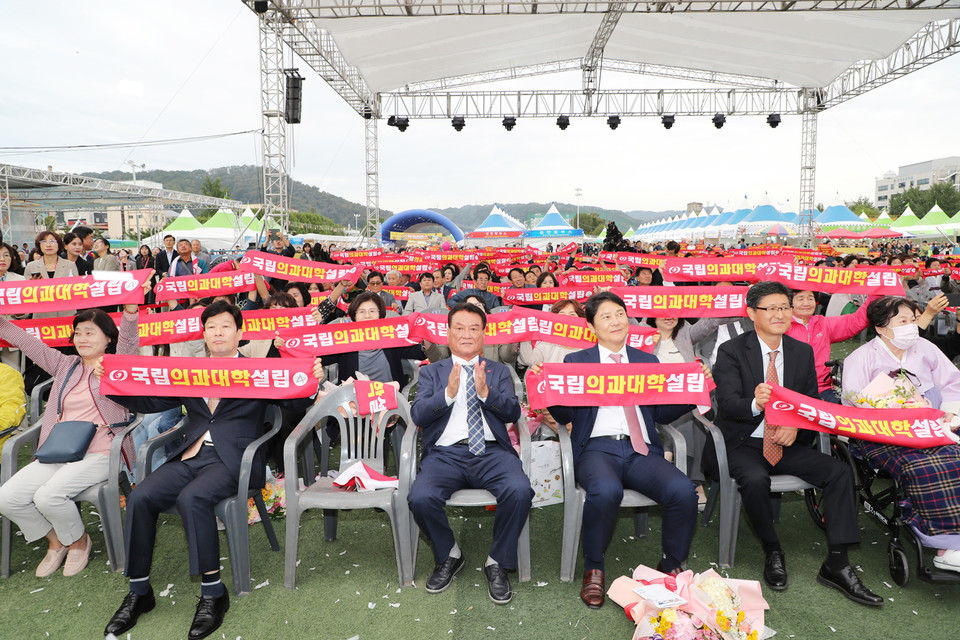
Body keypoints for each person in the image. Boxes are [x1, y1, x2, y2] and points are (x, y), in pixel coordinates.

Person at [99, 300, 325, 639]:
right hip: (190, 456)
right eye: (211, 327)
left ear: (239, 333)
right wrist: (114, 381)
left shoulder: (258, 370)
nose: (217, 332)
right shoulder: (189, 371)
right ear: (203, 334)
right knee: (140, 496)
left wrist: (312, 379)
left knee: (193, 499)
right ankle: (139, 590)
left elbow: (293, 403)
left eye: (225, 326)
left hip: (234, 459)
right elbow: (151, 400)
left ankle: (213, 593)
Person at [709, 281, 883, 606]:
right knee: (756, 479)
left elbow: (811, 403)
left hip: (785, 442)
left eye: (784, 308)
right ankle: (773, 549)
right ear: (751, 313)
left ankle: (837, 563)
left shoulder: (801, 352)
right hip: (742, 443)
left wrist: (796, 425)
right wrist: (754, 404)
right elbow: (728, 403)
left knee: (839, 472)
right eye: (771, 308)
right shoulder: (732, 351)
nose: (780, 314)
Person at [542, 292, 698, 608]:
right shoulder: (576, 361)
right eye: (606, 316)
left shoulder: (647, 361)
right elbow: (567, 416)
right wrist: (549, 390)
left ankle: (670, 568)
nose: (615, 321)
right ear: (592, 326)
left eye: (620, 313)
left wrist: (693, 388)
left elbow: (661, 414)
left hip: (641, 450)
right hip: (597, 449)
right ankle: (594, 568)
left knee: (684, 491)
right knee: (605, 490)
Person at [0, 289, 144, 578]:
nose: (82, 339)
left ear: (108, 338)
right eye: (78, 333)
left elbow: (128, 342)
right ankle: (57, 540)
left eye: (90, 333)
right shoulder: (65, 365)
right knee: (7, 497)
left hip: (102, 451)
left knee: (48, 496)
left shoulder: (118, 365)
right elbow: (24, 341)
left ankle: (79, 542)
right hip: (60, 449)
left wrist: (130, 311)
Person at [407, 302, 531, 605]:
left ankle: (497, 562)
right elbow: (419, 415)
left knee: (519, 490)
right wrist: (447, 394)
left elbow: (513, 411)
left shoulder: (498, 371)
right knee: (420, 497)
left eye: (474, 328)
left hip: (491, 453)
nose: (466, 334)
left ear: (483, 335)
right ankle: (449, 554)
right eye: (459, 328)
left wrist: (486, 393)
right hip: (446, 455)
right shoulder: (432, 373)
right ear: (448, 334)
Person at [841, 296, 960, 572]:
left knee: (954, 457)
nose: (911, 326)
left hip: (929, 426)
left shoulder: (925, 348)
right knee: (921, 468)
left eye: (912, 319)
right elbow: (854, 403)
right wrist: (894, 408)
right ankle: (944, 543)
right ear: (881, 328)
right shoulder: (860, 357)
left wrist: (949, 413)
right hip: (883, 433)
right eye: (902, 321)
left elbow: (951, 382)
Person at [787, 289, 875, 403]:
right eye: (800, 298)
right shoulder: (781, 325)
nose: (806, 303)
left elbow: (857, 321)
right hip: (789, 390)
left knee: (842, 412)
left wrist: (876, 292)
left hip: (822, 389)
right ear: (788, 302)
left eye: (810, 298)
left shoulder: (824, 324)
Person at [23, 232, 79, 319]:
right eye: (44, 242)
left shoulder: (70, 265)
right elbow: (25, 293)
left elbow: (77, 289)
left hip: (66, 314)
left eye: (52, 241)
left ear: (59, 244)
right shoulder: (31, 266)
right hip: (42, 315)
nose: (48, 245)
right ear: (39, 245)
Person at [0, 242, 25, 368]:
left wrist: (21, 313)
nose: (2, 259)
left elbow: (27, 310)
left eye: (6, 255)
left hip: (11, 338)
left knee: (14, 375)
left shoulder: (20, 280)